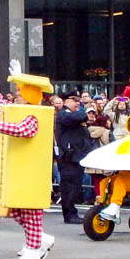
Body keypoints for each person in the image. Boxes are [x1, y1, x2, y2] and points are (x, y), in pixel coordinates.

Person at [0, 62, 56, 259]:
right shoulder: (21, 110)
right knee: (15, 209)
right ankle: (40, 239)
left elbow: (24, 130)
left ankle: (33, 250)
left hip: (33, 171)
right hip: (21, 169)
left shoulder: (35, 114)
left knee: (31, 212)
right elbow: (3, 107)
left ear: (30, 97)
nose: (16, 96)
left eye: (21, 93)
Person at [55, 91, 91, 224]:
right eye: (74, 100)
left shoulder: (72, 114)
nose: (77, 102)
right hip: (68, 157)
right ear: (65, 101)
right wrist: (83, 114)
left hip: (76, 156)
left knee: (74, 186)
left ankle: (72, 212)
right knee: (69, 186)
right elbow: (80, 116)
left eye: (78, 100)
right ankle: (69, 214)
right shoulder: (63, 114)